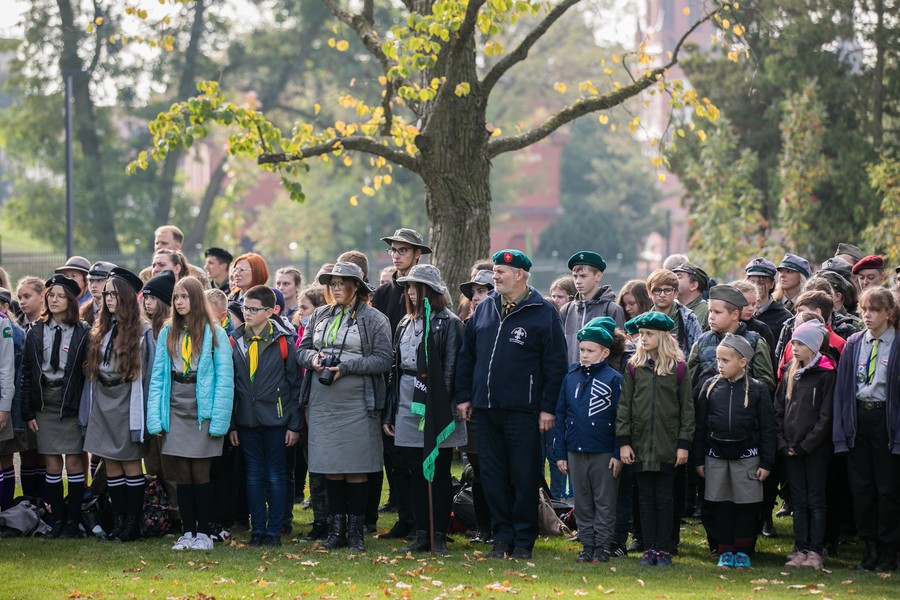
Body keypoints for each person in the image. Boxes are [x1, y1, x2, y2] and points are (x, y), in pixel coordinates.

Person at [455, 249, 568, 560]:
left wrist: (547, 408)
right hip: (486, 409)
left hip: (525, 412)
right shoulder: (485, 308)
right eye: (494, 270)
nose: (495, 276)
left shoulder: (543, 311)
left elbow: (555, 365)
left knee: (523, 476)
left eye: (501, 272)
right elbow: (468, 356)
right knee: (492, 475)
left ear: (519, 274)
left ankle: (523, 539)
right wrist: (464, 395)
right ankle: (501, 536)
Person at [297, 262, 392, 552]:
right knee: (331, 467)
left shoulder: (375, 319)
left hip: (358, 403)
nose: (336, 288)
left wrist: (347, 366)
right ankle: (336, 530)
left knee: (356, 467)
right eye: (332, 283)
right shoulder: (319, 315)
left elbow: (383, 359)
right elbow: (301, 350)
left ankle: (357, 531)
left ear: (356, 285)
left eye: (342, 283)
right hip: (323, 402)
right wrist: (313, 359)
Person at [146, 277, 234, 551]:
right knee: (181, 473)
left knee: (200, 472)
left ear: (196, 299)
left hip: (203, 407)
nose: (180, 302)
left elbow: (224, 379)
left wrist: (219, 420)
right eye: (176, 297)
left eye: (185, 296)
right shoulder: (167, 331)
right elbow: (159, 376)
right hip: (176, 406)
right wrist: (155, 416)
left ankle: (205, 533)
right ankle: (187, 531)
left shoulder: (214, 333)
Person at [383, 264, 466, 555]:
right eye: (409, 287)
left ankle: (439, 535)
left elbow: (452, 367)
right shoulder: (404, 322)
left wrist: (440, 405)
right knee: (415, 471)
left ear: (431, 290)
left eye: (417, 287)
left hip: (437, 402)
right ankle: (421, 533)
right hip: (407, 398)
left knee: (438, 472)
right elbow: (395, 368)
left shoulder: (450, 322)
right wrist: (390, 410)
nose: (412, 293)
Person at [79, 267, 154, 542]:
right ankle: (119, 522)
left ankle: (133, 524)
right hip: (103, 399)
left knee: (131, 464)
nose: (108, 299)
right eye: (106, 294)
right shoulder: (102, 327)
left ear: (125, 297)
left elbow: (149, 375)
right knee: (111, 464)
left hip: (127, 399)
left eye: (113, 294)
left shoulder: (143, 331)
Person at [616, 311, 694, 567]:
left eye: (649, 334)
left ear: (662, 336)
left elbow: (687, 410)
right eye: (641, 334)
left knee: (664, 499)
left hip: (667, 446)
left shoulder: (679, 368)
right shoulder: (633, 367)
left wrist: (683, 444)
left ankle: (664, 548)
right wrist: (624, 441)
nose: (643, 338)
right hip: (639, 446)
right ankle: (649, 548)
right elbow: (624, 406)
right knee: (644, 499)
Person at [228, 285, 301, 548]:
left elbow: (295, 385)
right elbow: (232, 385)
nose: (247, 313)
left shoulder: (284, 341)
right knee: (254, 475)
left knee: (276, 476)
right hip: (247, 421)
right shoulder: (235, 340)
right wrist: (233, 424)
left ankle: (274, 530)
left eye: (254, 309)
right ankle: (257, 529)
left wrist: (294, 424)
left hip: (277, 421)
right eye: (245, 308)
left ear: (270, 312)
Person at [833, 287, 900, 572]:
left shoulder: (896, 343)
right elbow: (844, 389)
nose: (867, 315)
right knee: (861, 488)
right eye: (863, 309)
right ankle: (869, 546)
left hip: (886, 420)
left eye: (873, 309)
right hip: (860, 418)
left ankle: (889, 549)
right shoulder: (854, 343)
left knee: (888, 488)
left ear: (888, 313)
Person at [694, 334, 775, 569]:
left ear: (743, 362)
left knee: (746, 507)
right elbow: (700, 426)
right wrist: (699, 458)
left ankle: (743, 551)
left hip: (747, 459)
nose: (720, 364)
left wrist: (767, 462)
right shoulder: (709, 388)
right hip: (715, 458)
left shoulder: (758, 390)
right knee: (721, 506)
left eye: (726, 360)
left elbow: (768, 428)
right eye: (718, 359)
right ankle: (725, 550)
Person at [19, 274, 90, 538]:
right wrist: (27, 411)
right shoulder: (36, 330)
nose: (55, 300)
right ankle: (56, 520)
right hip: (44, 404)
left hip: (69, 402)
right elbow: (27, 372)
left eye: (61, 296)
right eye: (51, 295)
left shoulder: (83, 331)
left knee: (73, 463)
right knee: (51, 464)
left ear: (71, 300)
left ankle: (72, 521)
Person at [554, 319, 623, 563]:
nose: (584, 355)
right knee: (581, 501)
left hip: (603, 451)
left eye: (590, 351)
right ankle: (587, 544)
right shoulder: (570, 377)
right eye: (582, 349)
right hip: (575, 449)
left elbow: (620, 419)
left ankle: (602, 546)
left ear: (604, 352)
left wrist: (617, 452)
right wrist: (560, 453)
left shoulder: (614, 379)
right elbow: (561, 415)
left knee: (604, 501)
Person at [774, 321, 835, 570]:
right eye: (793, 343)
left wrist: (805, 446)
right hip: (790, 449)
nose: (794, 348)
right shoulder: (790, 372)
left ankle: (816, 549)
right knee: (798, 500)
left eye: (799, 344)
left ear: (812, 345)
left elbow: (825, 417)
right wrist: (784, 444)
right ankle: (800, 548)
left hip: (814, 451)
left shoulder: (827, 374)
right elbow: (778, 409)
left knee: (816, 499)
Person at [457, 268, 495, 544]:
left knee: (499, 470)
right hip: (475, 406)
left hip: (500, 407)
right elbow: (464, 364)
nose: (476, 297)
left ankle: (502, 526)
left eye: (483, 290)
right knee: (479, 470)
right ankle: (484, 527)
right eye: (474, 292)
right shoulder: (468, 324)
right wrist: (464, 397)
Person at [560, 251, 625, 365]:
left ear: (598, 276)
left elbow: (617, 354)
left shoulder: (612, 309)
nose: (578, 281)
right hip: (572, 377)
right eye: (575, 276)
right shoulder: (566, 310)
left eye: (583, 276)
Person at [0, 289, 24, 510]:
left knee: (4, 458)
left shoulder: (5, 326)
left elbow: (7, 369)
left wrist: (5, 406)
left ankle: (6, 511)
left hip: (2, 400)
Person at [646, 269, 702, 358]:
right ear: (649, 293)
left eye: (667, 290)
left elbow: (697, 353)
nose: (662, 295)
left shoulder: (688, 319)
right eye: (657, 290)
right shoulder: (644, 321)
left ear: (676, 293)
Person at [139, 225, 211, 285]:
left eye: (164, 243)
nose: (158, 247)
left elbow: (205, 300)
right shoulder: (146, 275)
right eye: (157, 243)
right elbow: (142, 300)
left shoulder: (196, 274)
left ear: (177, 246)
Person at [745, 257, 793, 344]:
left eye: (761, 283)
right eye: (751, 282)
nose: (755, 287)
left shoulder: (784, 317)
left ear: (771, 284)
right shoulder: (739, 313)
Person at [673, 262, 710, 330]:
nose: (672, 280)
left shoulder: (707, 311)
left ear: (693, 286)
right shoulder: (672, 310)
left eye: (679, 277)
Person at [81, 261, 117, 326]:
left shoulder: (122, 313)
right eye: (91, 280)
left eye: (100, 281)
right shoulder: (82, 313)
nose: (94, 285)